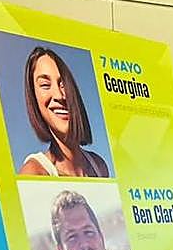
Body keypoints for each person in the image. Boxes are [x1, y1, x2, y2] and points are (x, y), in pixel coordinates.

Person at [18, 46, 110, 177]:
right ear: (34, 99)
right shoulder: (34, 172)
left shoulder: (99, 166)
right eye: (45, 85)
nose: (59, 95)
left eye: (63, 85)